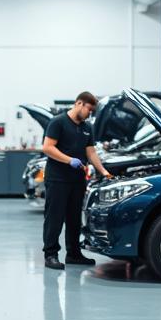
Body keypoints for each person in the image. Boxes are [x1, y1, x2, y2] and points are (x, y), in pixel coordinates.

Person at [41, 91, 113, 270]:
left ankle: (73, 253)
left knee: (74, 218)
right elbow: (47, 148)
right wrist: (69, 160)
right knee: (54, 218)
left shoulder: (87, 127)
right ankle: (50, 254)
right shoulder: (58, 122)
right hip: (57, 178)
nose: (90, 113)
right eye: (89, 109)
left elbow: (91, 152)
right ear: (79, 104)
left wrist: (104, 172)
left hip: (77, 179)